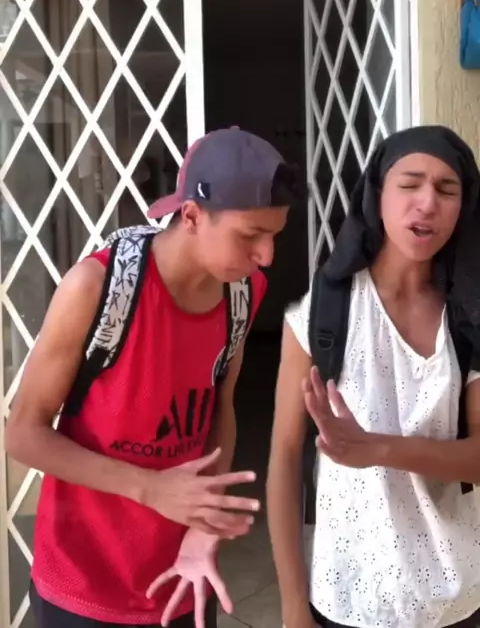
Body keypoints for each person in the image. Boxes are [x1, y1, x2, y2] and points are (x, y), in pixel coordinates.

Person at [6, 127, 301, 628]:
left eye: (274, 234)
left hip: (179, 580)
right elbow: (23, 434)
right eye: (250, 234)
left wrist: (203, 523)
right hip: (81, 585)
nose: (267, 255)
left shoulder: (243, 293)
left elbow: (219, 408)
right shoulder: (98, 288)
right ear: (192, 216)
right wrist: (151, 488)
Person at [267, 125, 480, 628]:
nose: (427, 203)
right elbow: (284, 457)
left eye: (447, 189)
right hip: (348, 598)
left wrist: (379, 449)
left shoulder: (469, 315)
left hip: (457, 600)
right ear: (377, 194)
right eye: (409, 184)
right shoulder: (323, 314)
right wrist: (293, 605)